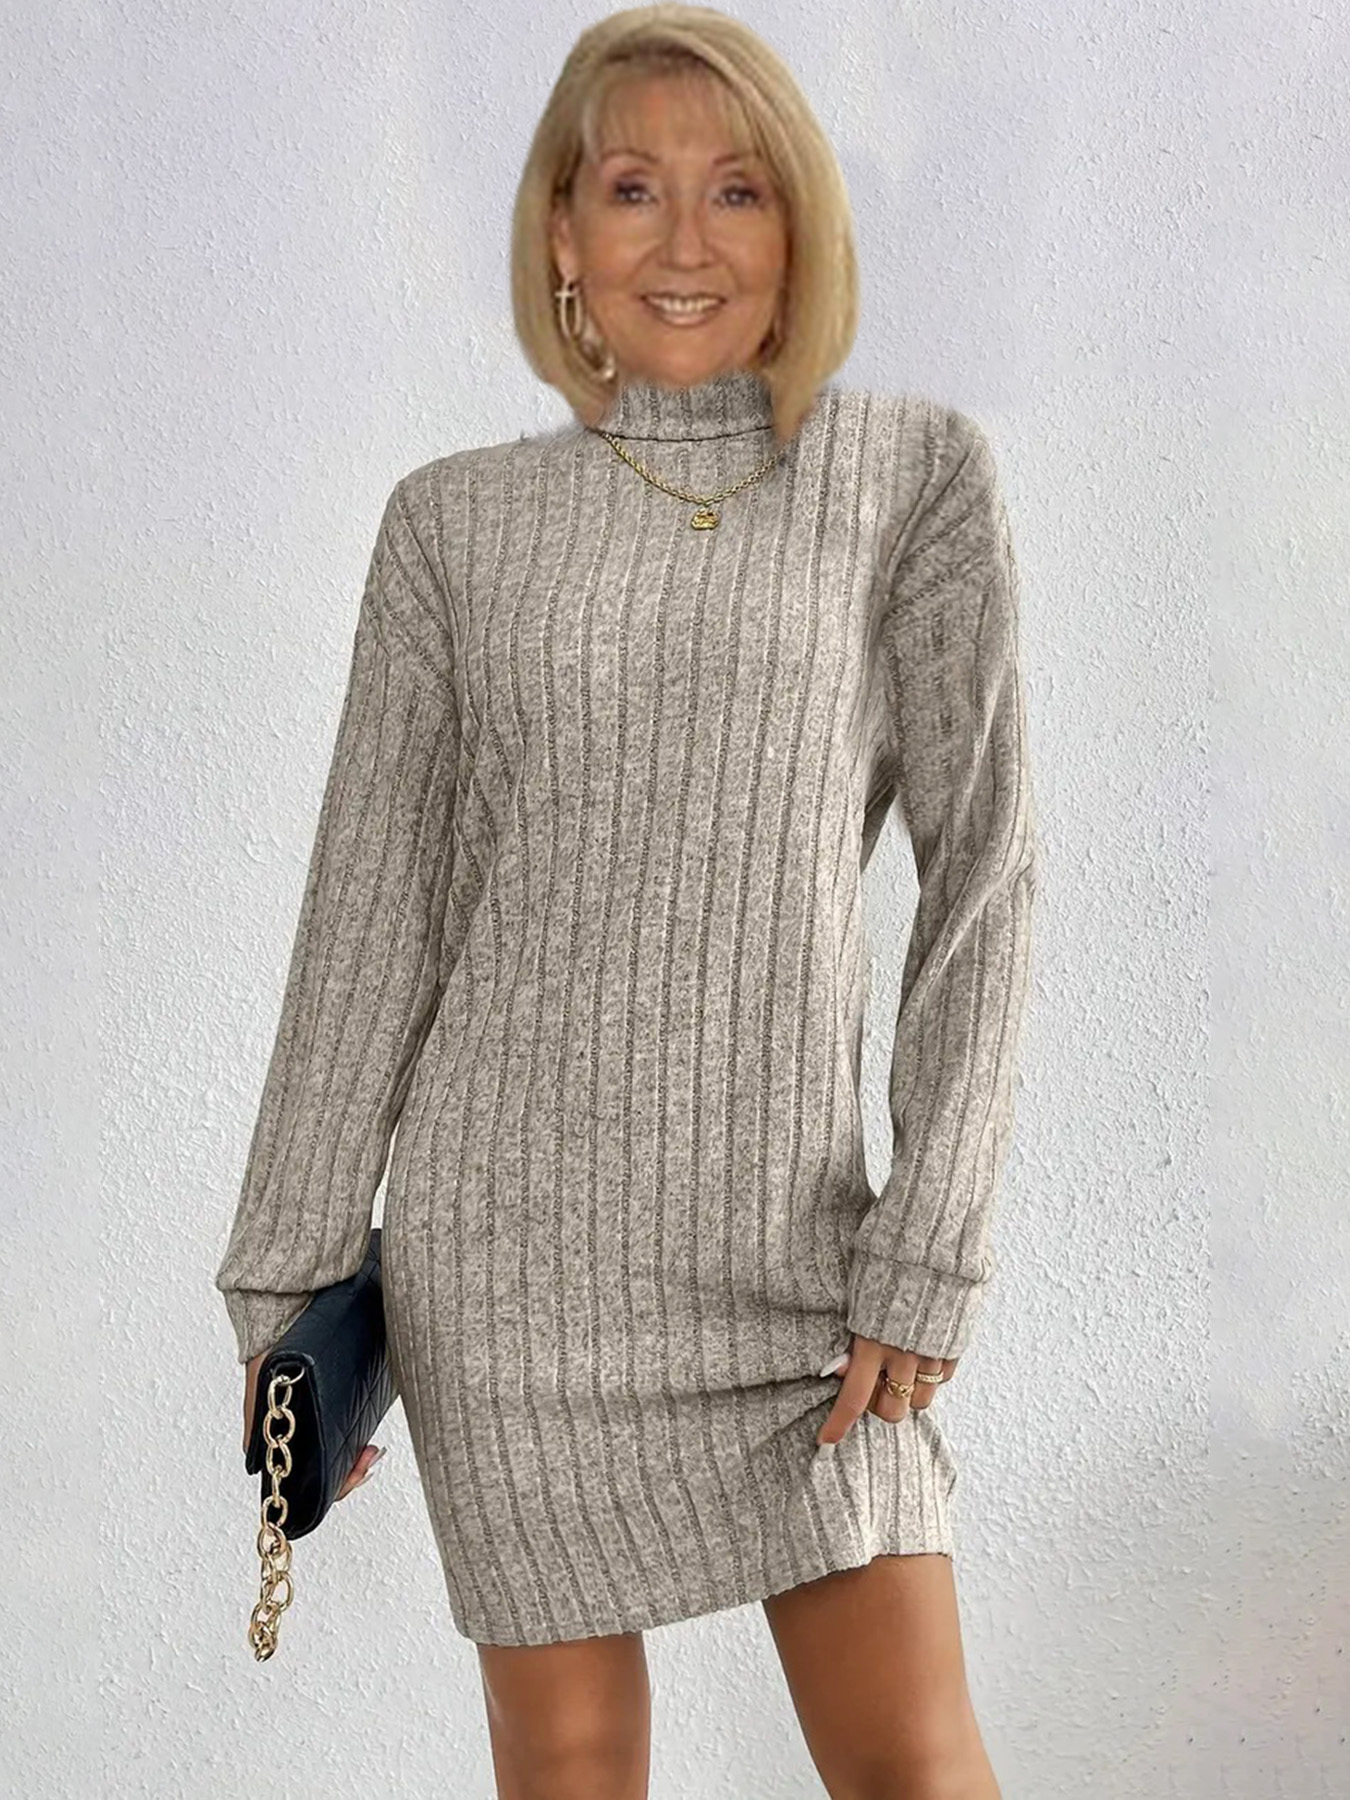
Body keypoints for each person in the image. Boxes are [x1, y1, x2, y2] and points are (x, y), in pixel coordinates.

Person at [215, 6, 1037, 1796]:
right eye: (631, 189)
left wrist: (931, 1239)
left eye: (736, 190)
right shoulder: (451, 529)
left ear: (800, 225)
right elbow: (368, 924)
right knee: (570, 1776)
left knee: (915, 1766)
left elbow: (985, 873)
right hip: (507, 1278)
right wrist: (287, 1296)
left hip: (805, 1273)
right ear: (563, 237)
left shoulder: (909, 479)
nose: (684, 240)